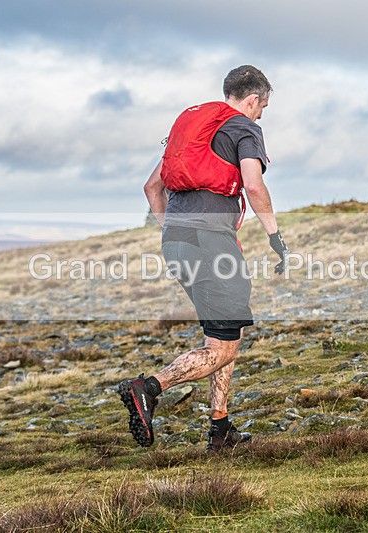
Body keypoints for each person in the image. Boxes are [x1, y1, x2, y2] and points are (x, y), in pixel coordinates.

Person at [119, 65, 289, 451]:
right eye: (262, 107)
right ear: (252, 100)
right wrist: (275, 236)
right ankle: (148, 388)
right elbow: (253, 183)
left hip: (177, 241)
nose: (262, 114)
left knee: (226, 333)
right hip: (211, 243)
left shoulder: (193, 127)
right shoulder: (244, 128)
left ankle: (220, 427)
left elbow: (152, 188)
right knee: (222, 348)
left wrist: (174, 230)